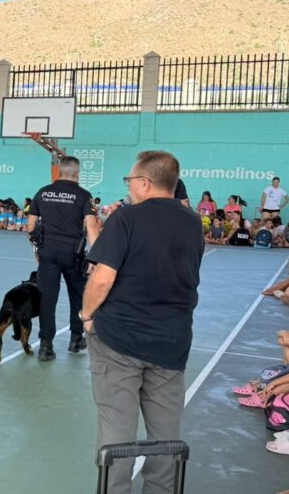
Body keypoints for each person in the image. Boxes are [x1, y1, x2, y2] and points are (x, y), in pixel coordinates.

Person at [79, 150, 204, 494]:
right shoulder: (193, 222)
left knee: (116, 434)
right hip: (172, 342)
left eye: (130, 180)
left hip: (120, 340)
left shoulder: (126, 218)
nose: (129, 187)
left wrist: (86, 315)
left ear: (145, 183)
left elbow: (102, 276)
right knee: (166, 434)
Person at [27, 156, 101, 360]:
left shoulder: (43, 192)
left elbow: (31, 226)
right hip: (72, 254)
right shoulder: (83, 195)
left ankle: (45, 346)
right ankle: (76, 339)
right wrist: (96, 258)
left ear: (59, 172)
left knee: (47, 298)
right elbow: (92, 227)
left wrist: (37, 250)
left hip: (47, 252)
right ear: (77, 174)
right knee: (77, 295)